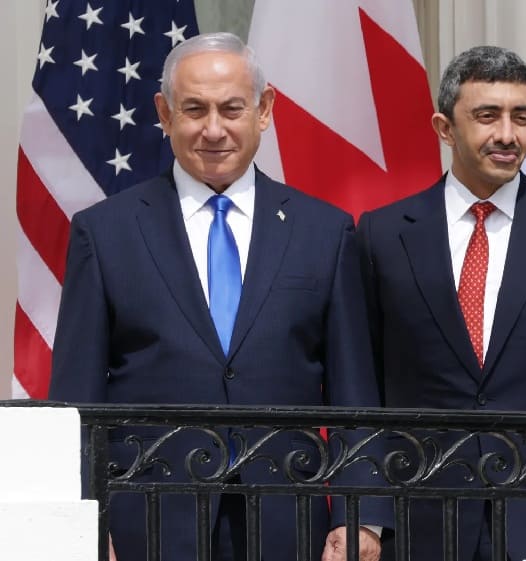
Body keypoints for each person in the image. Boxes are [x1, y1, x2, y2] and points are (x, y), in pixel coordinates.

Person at [48, 32, 389, 561]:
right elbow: (76, 399)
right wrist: (82, 522)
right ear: (164, 114)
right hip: (147, 523)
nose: (213, 130)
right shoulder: (105, 232)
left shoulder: (324, 231)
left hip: (286, 522)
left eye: (232, 109)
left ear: (264, 110)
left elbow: (354, 393)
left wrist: (361, 517)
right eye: (194, 110)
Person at [357, 46, 526, 561]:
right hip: (424, 514)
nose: (507, 135)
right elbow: (365, 375)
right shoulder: (384, 233)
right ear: (444, 128)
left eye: (521, 118)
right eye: (487, 116)